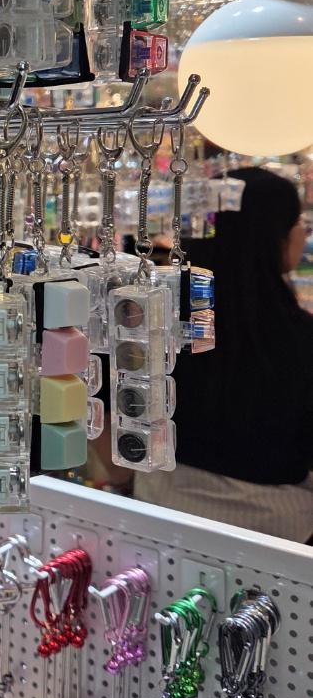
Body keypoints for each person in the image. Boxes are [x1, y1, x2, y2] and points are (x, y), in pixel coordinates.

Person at [133, 166, 313, 543]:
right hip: (274, 538)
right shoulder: (301, 338)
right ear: (275, 236)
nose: (303, 232)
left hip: (158, 516)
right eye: (298, 222)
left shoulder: (157, 324)